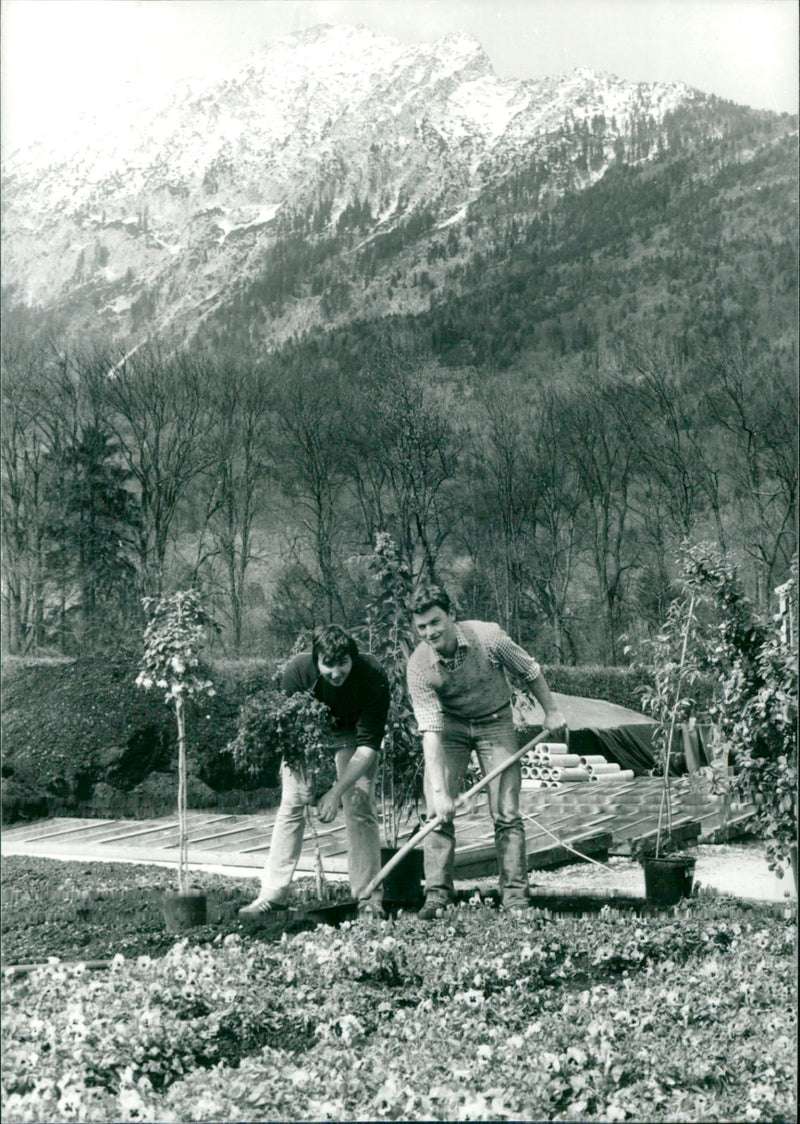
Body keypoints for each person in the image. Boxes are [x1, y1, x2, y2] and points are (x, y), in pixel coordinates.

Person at [406, 584, 568, 918]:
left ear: (452, 615)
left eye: (435, 622)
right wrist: (440, 792)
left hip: (495, 721)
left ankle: (515, 899)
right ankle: (437, 897)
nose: (429, 632)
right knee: (437, 814)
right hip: (449, 728)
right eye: (421, 627)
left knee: (506, 812)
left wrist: (551, 711)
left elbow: (530, 670)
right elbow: (431, 734)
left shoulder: (489, 638)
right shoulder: (419, 666)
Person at [239, 624, 390, 918]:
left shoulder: (371, 673)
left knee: (359, 805)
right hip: (310, 737)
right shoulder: (297, 672)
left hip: (354, 738)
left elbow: (368, 745)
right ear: (316, 660)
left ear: (353, 659)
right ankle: (272, 895)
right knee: (293, 803)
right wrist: (303, 778)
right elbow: (291, 736)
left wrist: (334, 792)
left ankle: (368, 897)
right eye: (328, 665)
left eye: (342, 663)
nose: (336, 672)